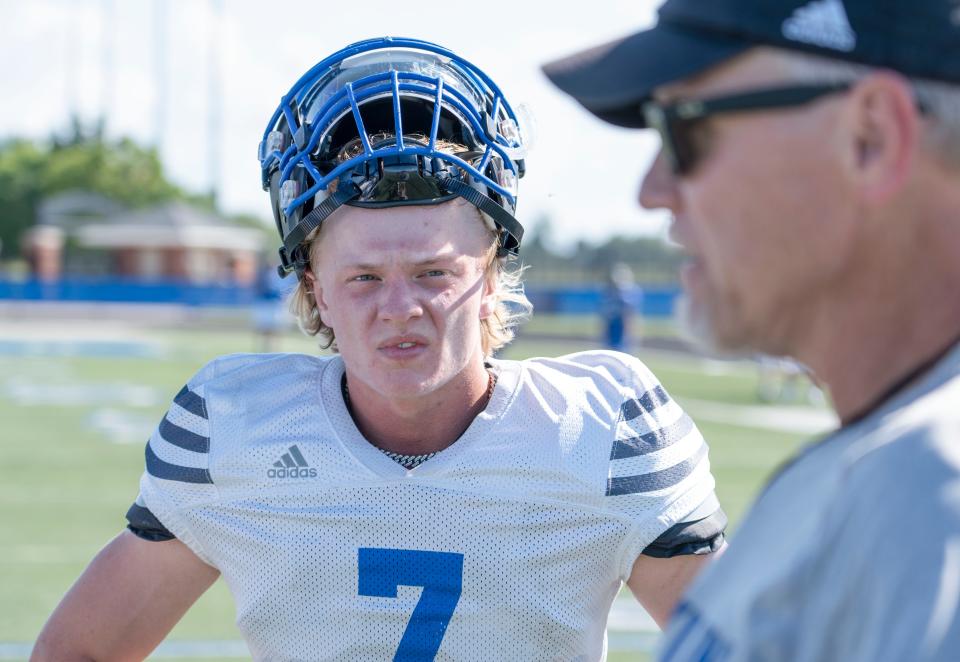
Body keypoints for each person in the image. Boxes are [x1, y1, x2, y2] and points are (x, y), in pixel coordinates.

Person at [32, 37, 726, 661]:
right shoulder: (234, 430)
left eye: (434, 273)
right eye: (364, 278)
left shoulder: (602, 433)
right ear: (316, 288)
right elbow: (79, 651)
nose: (401, 309)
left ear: (489, 275)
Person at [544, 0, 960, 659]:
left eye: (682, 129)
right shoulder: (887, 470)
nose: (651, 190)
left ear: (871, 137)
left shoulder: (930, 495)